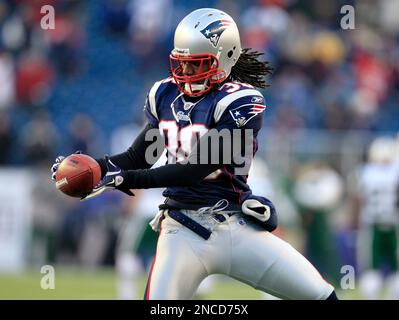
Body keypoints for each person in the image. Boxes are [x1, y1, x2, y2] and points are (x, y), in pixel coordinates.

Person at [51, 8, 337, 300]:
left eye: (196, 65)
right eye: (181, 64)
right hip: (182, 230)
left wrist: (120, 178)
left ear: (225, 58)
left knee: (323, 296)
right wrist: (97, 169)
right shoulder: (164, 95)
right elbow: (140, 157)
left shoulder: (240, 101)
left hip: (234, 226)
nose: (185, 74)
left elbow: (193, 170)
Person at [351, 137, 399, 299]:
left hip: (371, 224)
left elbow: (357, 199)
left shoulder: (365, 172)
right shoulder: (395, 171)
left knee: (371, 265)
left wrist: (353, 223)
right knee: (396, 265)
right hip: (394, 224)